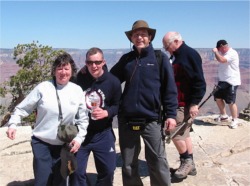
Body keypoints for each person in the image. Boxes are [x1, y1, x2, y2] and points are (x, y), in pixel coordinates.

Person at [110, 20, 178, 186]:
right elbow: (111, 80)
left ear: (150, 37)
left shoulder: (159, 58)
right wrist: (89, 73)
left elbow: (170, 88)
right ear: (131, 38)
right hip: (127, 119)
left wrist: (171, 115)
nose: (139, 37)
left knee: (158, 161)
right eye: (135, 35)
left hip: (152, 119)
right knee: (128, 164)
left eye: (143, 34)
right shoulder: (126, 59)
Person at [6, 52, 89, 186]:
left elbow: (83, 119)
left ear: (72, 71)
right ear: (54, 71)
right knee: (42, 181)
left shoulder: (77, 90)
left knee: (61, 181)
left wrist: (79, 138)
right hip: (42, 143)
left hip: (65, 145)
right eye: (59, 68)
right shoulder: (43, 88)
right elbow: (23, 108)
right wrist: (13, 124)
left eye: (66, 68)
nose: (63, 72)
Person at [71, 47, 122, 186]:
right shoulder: (79, 79)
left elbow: (118, 105)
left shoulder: (113, 82)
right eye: (90, 62)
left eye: (97, 62)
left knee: (108, 171)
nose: (94, 66)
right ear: (85, 63)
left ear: (103, 62)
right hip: (81, 134)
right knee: (75, 172)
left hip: (103, 133)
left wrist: (107, 112)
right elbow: (62, 82)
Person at [162, 31, 206, 179]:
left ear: (175, 42)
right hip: (180, 101)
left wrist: (194, 103)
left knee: (173, 131)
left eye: (166, 45)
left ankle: (186, 161)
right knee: (184, 132)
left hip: (182, 103)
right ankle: (190, 165)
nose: (166, 49)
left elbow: (199, 81)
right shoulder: (178, 55)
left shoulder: (188, 54)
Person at [212, 40, 241, 129]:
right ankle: (224, 115)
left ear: (222, 46)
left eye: (219, 49)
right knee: (217, 97)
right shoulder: (224, 53)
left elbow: (222, 60)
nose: (219, 51)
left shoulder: (232, 53)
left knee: (231, 101)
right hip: (223, 80)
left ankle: (235, 120)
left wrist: (216, 52)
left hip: (231, 81)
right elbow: (219, 59)